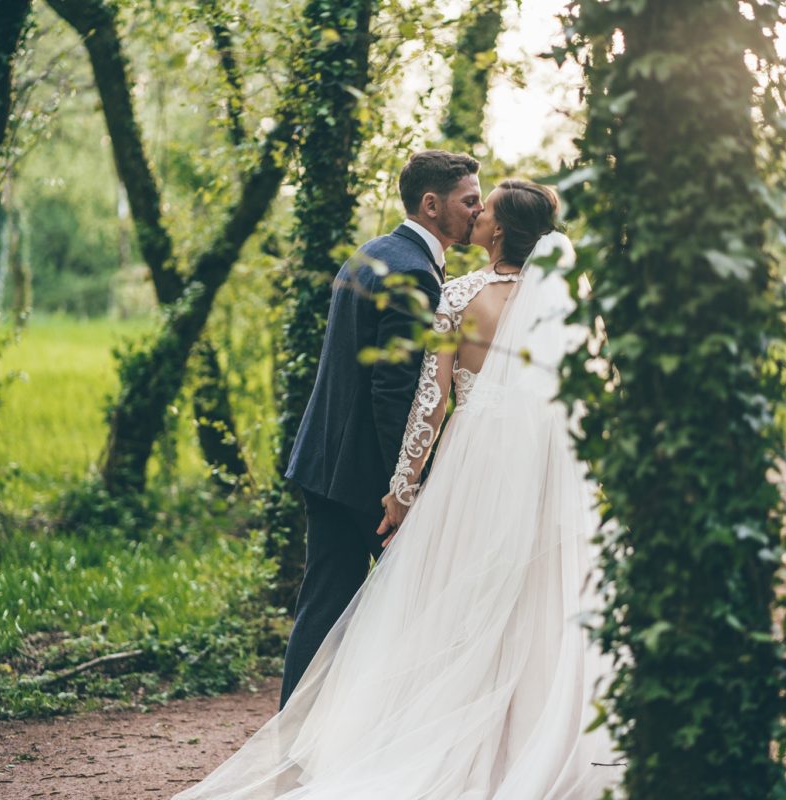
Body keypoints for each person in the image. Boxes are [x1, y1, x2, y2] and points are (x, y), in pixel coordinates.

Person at [174, 180, 615, 799]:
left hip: (473, 470)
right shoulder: (568, 308)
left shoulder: (460, 295)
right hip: (541, 470)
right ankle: (527, 742)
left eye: (484, 210)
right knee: (534, 599)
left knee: (458, 602)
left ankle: (452, 742)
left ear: (500, 231)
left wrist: (404, 488)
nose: (477, 214)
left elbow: (428, 404)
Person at [280, 150, 484, 707]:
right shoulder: (414, 271)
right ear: (431, 203)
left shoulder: (373, 254)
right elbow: (394, 392)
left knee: (324, 604)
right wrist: (405, 488)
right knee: (414, 610)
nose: (478, 209)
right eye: (469, 200)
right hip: (364, 477)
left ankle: (299, 738)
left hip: (326, 462)